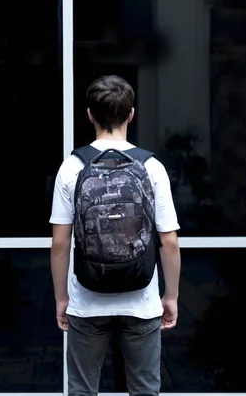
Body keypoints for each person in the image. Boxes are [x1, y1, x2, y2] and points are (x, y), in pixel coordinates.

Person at [49, 75, 181, 396]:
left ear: (90, 115)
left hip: (88, 298)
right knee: (145, 391)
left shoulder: (72, 167)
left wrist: (61, 299)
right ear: (131, 114)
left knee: (82, 391)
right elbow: (169, 242)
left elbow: (60, 244)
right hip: (142, 301)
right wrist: (171, 297)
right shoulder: (152, 167)